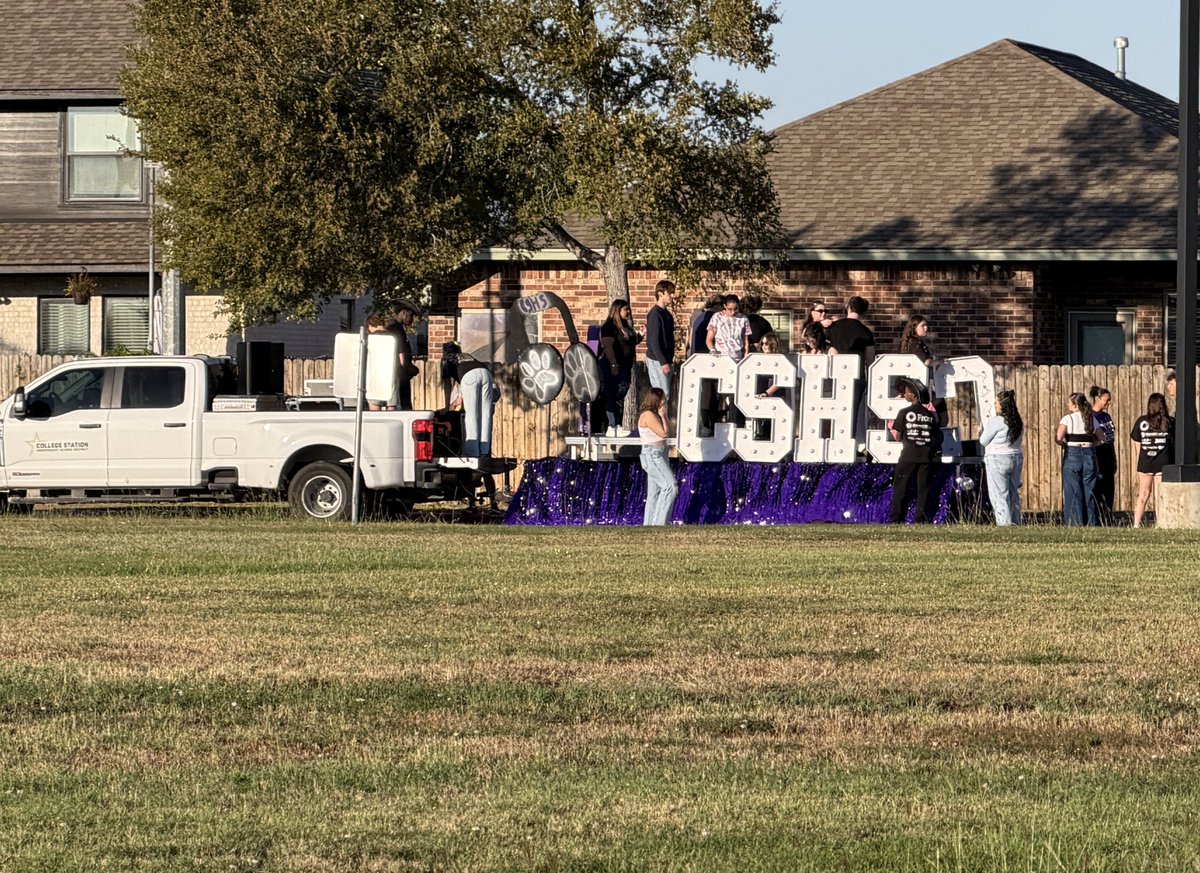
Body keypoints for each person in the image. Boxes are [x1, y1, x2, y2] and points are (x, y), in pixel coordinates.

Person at [888, 379, 942, 523]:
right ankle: (921, 519)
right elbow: (936, 435)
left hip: (908, 456)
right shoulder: (930, 415)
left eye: (905, 392)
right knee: (923, 490)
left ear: (912, 395)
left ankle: (896, 518)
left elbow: (898, 437)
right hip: (926, 457)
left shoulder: (904, 413)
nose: (904, 395)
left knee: (900, 488)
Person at [826, 296, 876, 442]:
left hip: (832, 374)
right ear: (863, 312)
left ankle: (830, 439)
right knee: (851, 411)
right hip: (856, 376)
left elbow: (814, 340)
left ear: (848, 308)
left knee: (830, 408)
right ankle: (848, 440)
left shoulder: (833, 327)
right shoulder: (865, 332)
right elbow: (870, 359)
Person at [440, 342, 496, 458]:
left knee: (471, 415)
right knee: (485, 414)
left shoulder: (447, 360)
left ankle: (472, 452)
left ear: (445, 352)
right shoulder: (467, 356)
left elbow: (447, 385)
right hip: (486, 373)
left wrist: (446, 407)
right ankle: (484, 451)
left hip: (469, 377)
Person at [979, 389, 1024, 526]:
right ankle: (1016, 522)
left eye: (996, 403)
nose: (995, 405)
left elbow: (983, 440)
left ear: (1002, 405)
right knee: (1013, 493)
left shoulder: (997, 421)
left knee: (999, 494)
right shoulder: (1018, 421)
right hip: (1015, 457)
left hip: (998, 458)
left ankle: (1004, 524)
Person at [706, 294, 751, 427]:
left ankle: (735, 423)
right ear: (725, 306)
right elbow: (709, 338)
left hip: (737, 358)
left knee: (735, 394)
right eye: (730, 309)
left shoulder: (743, 319)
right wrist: (713, 350)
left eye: (735, 309)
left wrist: (745, 357)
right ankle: (713, 424)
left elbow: (746, 341)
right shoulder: (717, 317)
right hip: (721, 358)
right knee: (718, 393)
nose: (732, 312)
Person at [1131, 392, 1175, 528]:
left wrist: (1141, 456)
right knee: (1160, 495)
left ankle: (1136, 525)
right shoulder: (1169, 422)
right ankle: (1160, 523)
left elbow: (1135, 439)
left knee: (1143, 494)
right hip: (1163, 462)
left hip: (1146, 462)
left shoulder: (1142, 421)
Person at [1055, 391, 1099, 526]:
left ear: (1075, 405)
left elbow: (1059, 437)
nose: (1067, 405)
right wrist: (1091, 445)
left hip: (1073, 453)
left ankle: (1075, 522)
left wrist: (1065, 445)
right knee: (1089, 490)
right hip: (1089, 454)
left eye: (1069, 403)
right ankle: (1092, 522)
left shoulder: (1068, 419)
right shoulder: (1091, 419)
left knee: (1073, 490)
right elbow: (1103, 439)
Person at [600, 298, 641, 437]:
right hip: (612, 365)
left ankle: (617, 424)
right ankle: (612, 425)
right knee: (612, 393)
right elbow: (608, 345)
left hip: (625, 365)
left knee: (621, 394)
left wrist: (640, 335)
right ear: (617, 310)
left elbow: (630, 342)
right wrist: (613, 364)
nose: (628, 312)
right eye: (625, 309)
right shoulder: (609, 326)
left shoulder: (625, 326)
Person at [637, 388, 677, 526]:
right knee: (670, 486)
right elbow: (663, 433)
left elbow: (670, 431)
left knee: (654, 492)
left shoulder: (655, 415)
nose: (664, 401)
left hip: (660, 453)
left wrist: (664, 416)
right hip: (653, 454)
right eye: (662, 399)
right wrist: (663, 415)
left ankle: (649, 524)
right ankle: (659, 522)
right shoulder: (648, 415)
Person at [644, 279, 677, 400]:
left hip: (666, 360)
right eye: (670, 292)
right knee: (662, 394)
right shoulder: (655, 314)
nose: (672, 296)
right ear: (660, 293)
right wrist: (663, 362)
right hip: (657, 360)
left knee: (666, 395)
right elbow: (654, 341)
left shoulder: (667, 315)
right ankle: (657, 418)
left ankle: (662, 418)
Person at [1089, 385, 1117, 522]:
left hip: (1108, 452)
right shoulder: (1091, 416)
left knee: (1109, 487)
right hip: (1098, 453)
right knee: (1099, 486)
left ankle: (1108, 515)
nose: (1108, 403)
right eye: (1106, 400)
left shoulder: (1106, 416)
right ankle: (1098, 517)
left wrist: (1114, 458)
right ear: (1097, 399)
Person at [387, 301, 421, 411]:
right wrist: (404, 366)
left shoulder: (397, 328)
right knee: (403, 400)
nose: (411, 319)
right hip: (399, 370)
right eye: (410, 315)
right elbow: (400, 349)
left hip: (399, 369)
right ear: (403, 313)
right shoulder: (396, 329)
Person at [365, 313, 396, 411]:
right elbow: (401, 359)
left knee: (374, 407)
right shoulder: (394, 337)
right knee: (391, 407)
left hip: (374, 376)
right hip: (391, 375)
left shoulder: (370, 339)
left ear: (370, 325)